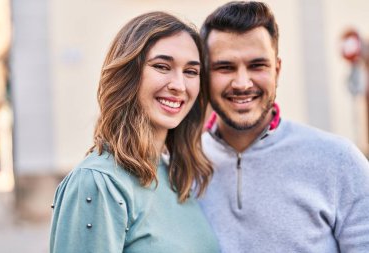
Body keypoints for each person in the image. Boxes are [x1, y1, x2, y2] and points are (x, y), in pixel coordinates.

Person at [198, 1, 369, 252]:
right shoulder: (183, 166)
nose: (243, 83)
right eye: (225, 67)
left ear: (277, 70)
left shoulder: (340, 161)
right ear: (204, 74)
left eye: (257, 65)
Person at [50, 11, 220, 253]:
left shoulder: (176, 175)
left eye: (191, 72)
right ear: (128, 74)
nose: (179, 85)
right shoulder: (98, 182)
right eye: (162, 66)